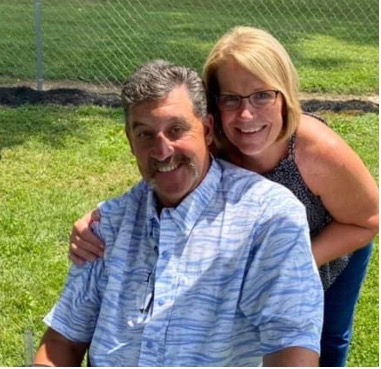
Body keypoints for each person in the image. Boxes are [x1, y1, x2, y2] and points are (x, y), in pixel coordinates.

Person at [69, 27, 379, 367]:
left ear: (285, 96)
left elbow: (369, 220)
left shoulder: (317, 151)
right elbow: (161, 174)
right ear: (212, 111)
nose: (246, 115)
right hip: (263, 239)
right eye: (231, 98)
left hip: (334, 236)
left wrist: (289, 263)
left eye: (262, 95)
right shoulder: (211, 142)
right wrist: (98, 220)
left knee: (323, 338)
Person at [35, 60, 323, 367]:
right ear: (130, 142)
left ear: (208, 129)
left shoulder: (267, 216)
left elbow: (293, 346)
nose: (162, 151)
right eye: (145, 134)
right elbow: (61, 340)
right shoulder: (109, 224)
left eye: (176, 130)